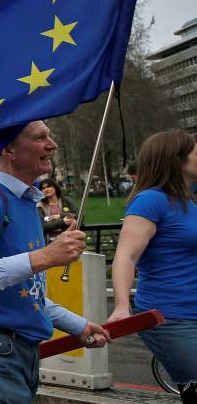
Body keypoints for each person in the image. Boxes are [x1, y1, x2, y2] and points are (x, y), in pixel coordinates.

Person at [0, 121, 110, 403]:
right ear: (9, 149)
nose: (53, 144)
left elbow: (28, 294)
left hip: (17, 347)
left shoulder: (26, 203)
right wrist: (46, 256)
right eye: (40, 138)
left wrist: (79, 325)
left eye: (50, 135)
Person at [107, 130, 197, 401]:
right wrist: (122, 306)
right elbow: (126, 256)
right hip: (171, 317)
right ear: (177, 160)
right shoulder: (151, 200)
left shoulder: (191, 200)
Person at [36, 179, 77, 243]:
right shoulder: (40, 206)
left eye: (48, 186)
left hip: (70, 240)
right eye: (43, 188)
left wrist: (60, 215)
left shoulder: (66, 201)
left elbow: (77, 215)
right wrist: (62, 221)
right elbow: (42, 225)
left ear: (55, 188)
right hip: (50, 242)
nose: (46, 189)